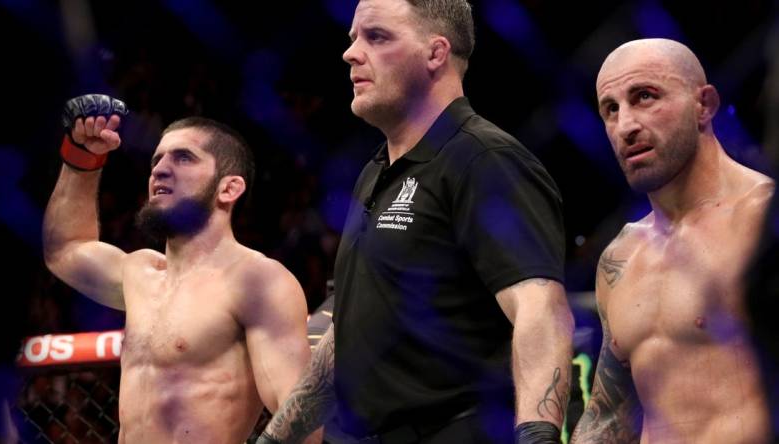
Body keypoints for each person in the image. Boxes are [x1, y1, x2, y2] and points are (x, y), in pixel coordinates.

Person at [256, 1, 574, 443]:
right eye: (352, 39)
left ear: (436, 53)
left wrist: (537, 437)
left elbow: (539, 308)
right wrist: (275, 439)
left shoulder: (483, 159)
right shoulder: (374, 174)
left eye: (377, 36)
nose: (351, 53)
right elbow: (347, 333)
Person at [43, 94, 320, 444]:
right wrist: (83, 155)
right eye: (157, 159)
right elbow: (65, 250)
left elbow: (299, 420)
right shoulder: (140, 273)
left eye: (184, 158)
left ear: (229, 188)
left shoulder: (257, 280)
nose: (159, 169)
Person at [570, 39, 774, 444]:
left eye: (645, 97)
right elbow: (610, 417)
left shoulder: (764, 223)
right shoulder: (621, 257)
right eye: (610, 109)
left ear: (705, 105)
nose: (626, 126)